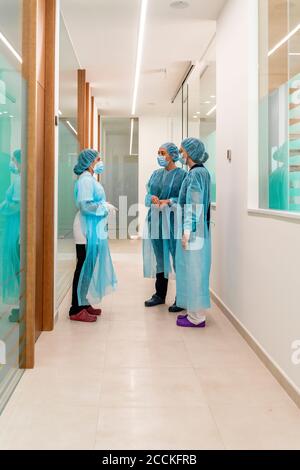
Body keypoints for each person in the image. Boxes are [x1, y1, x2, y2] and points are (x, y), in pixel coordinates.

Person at [69, 149, 117, 322]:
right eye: (98, 159)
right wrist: (104, 208)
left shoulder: (89, 179)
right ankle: (75, 309)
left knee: (88, 267)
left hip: (91, 226)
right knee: (82, 266)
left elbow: (92, 202)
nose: (100, 161)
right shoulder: (85, 180)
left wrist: (104, 204)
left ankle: (83, 302)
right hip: (84, 227)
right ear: (90, 162)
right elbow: (85, 206)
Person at [143, 143, 186, 312]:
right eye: (158, 152)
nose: (160, 155)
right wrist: (152, 198)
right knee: (160, 258)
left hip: (173, 221)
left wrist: (169, 201)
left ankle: (181, 298)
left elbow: (183, 198)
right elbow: (147, 194)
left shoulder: (182, 175)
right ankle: (160, 295)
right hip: (155, 220)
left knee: (177, 259)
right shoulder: (155, 174)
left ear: (173, 155)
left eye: (163, 153)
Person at [175, 138, 211, 328]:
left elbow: (194, 204)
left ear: (189, 152)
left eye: (182, 151)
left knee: (195, 270)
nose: (180, 154)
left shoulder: (196, 174)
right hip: (196, 227)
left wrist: (188, 229)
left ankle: (197, 318)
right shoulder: (198, 172)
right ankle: (192, 313)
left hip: (194, 229)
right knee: (192, 269)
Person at [0, 150, 21, 322]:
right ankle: (22, 305)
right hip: (16, 230)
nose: (12, 163)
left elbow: (17, 206)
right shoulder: (20, 178)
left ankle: (24, 306)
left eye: (14, 160)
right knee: (18, 268)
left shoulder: (21, 180)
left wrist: (2, 208)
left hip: (17, 230)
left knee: (18, 268)